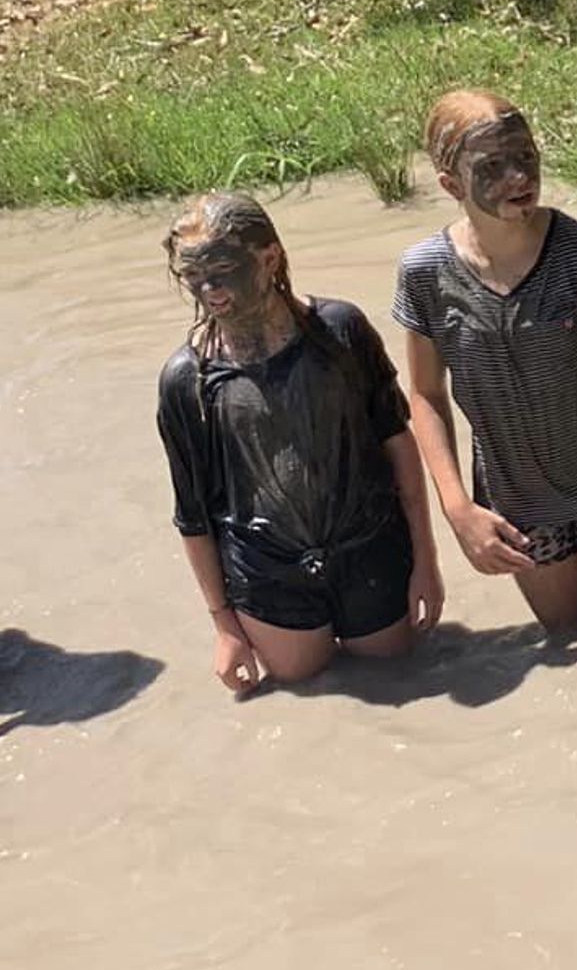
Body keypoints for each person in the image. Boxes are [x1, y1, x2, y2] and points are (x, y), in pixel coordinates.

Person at [395, 90, 577, 633]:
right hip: (515, 502)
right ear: (451, 185)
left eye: (525, 155)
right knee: (568, 639)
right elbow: (426, 396)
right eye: (492, 167)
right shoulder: (424, 273)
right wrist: (458, 510)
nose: (519, 176)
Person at [157, 193, 443, 690]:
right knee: (301, 690)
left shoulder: (340, 332)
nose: (208, 291)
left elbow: (398, 444)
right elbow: (193, 514)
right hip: (267, 571)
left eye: (222, 271)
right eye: (193, 277)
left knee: (398, 677)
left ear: (269, 258)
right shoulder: (187, 379)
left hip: (370, 548)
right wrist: (224, 626)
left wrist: (426, 562)